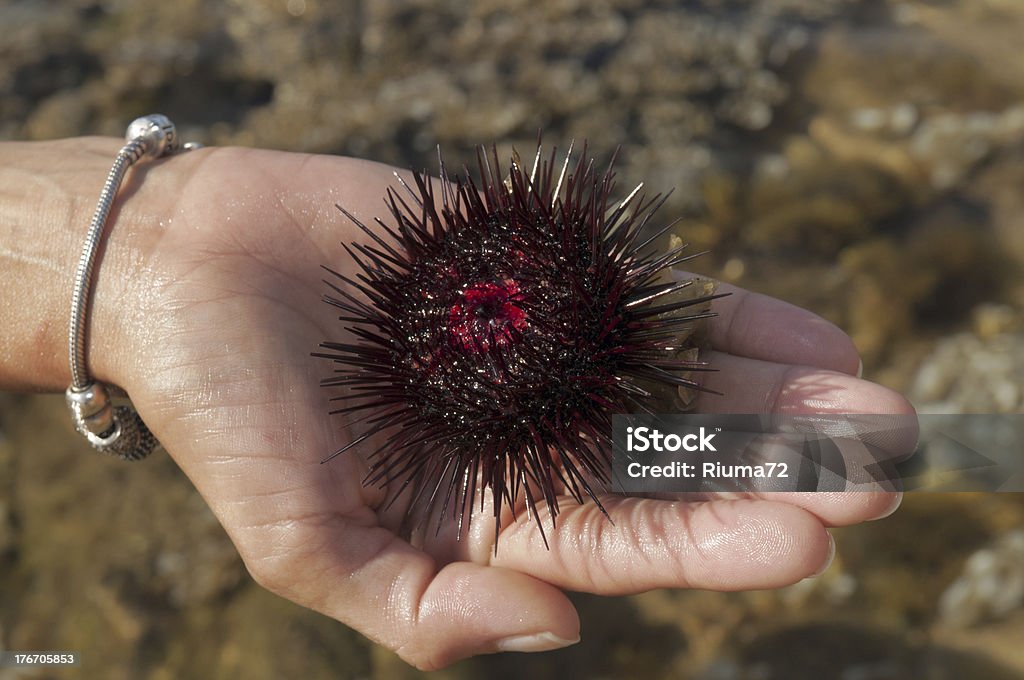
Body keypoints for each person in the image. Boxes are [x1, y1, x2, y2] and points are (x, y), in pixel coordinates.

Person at [0, 137, 913, 670]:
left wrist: (127, 244)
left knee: (901, 452)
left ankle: (989, 458)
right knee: (900, 455)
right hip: (480, 401)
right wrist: (131, 262)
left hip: (515, 390)